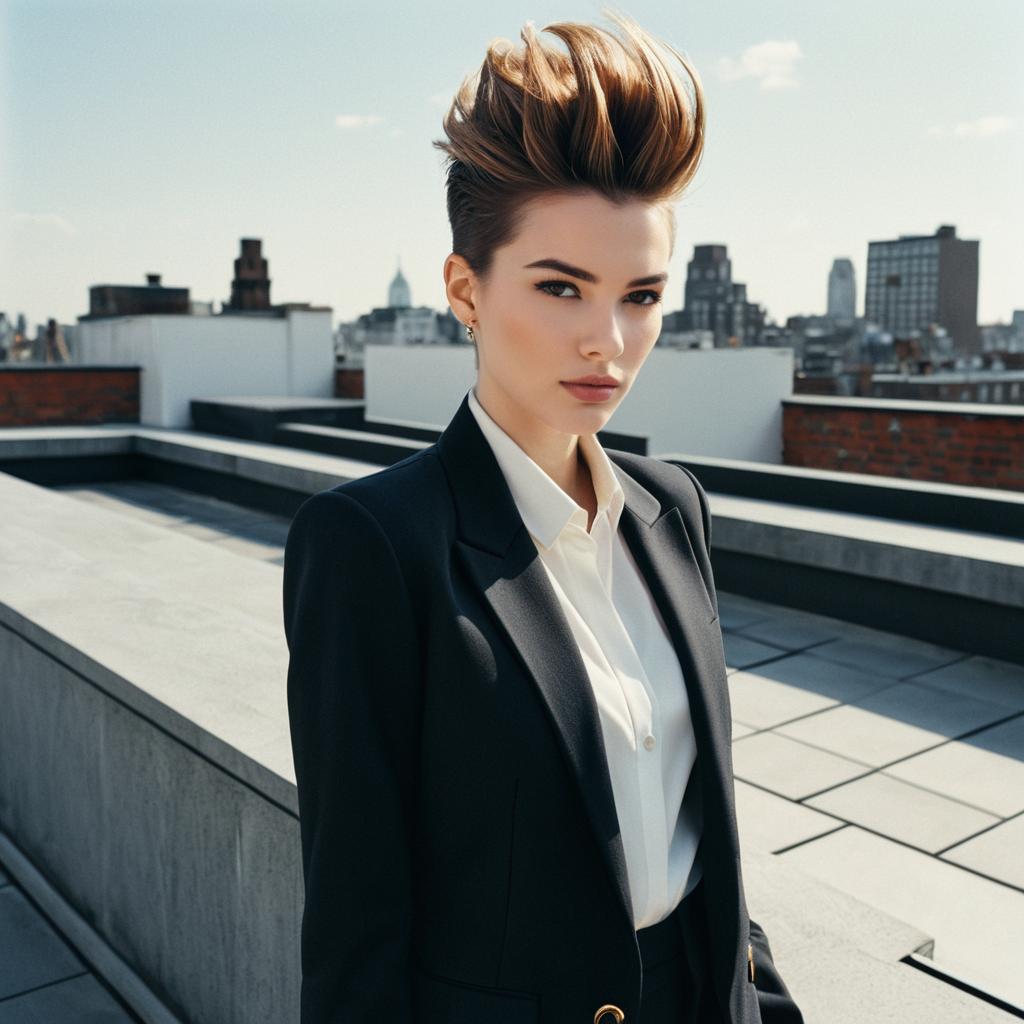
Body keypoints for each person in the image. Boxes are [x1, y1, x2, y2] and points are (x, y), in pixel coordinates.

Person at [283, 10, 804, 1023]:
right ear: (464, 290)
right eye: (561, 287)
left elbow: (705, 829)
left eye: (640, 295)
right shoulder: (373, 548)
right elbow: (356, 925)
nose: (606, 341)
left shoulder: (671, 509)